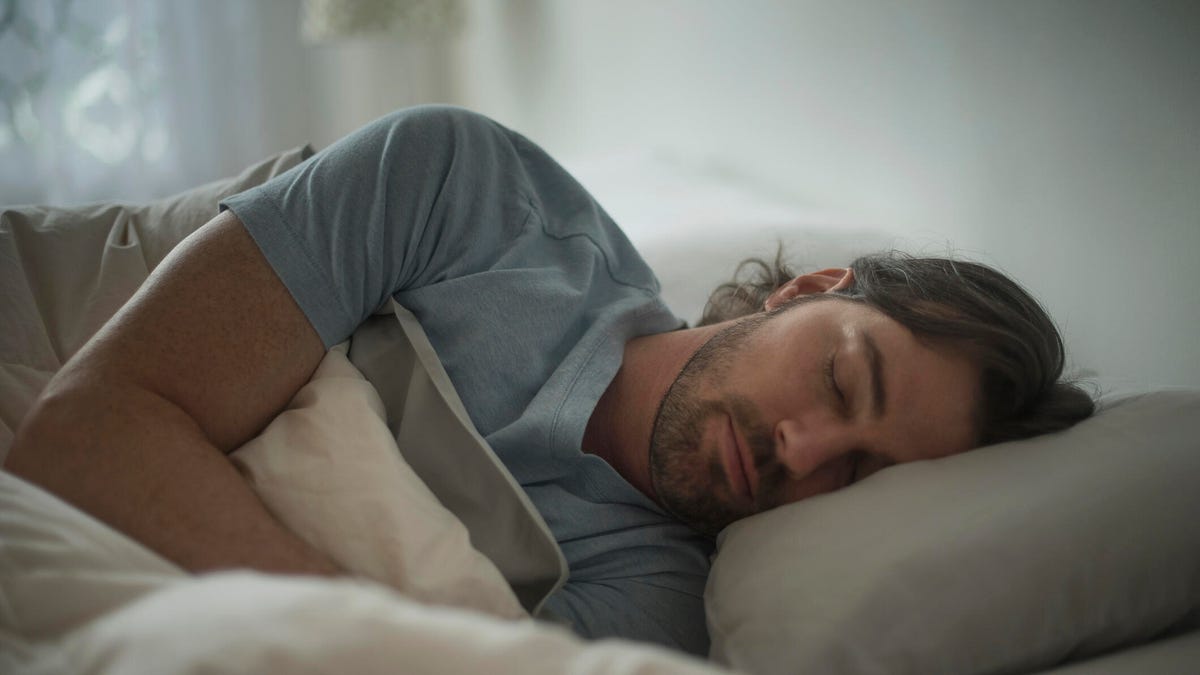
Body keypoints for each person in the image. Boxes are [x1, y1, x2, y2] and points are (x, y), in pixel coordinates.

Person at [5, 106, 1094, 656]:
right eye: (843, 384)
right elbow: (85, 430)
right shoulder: (476, 194)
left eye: (857, 477)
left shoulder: (652, 607)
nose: (804, 453)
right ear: (805, 288)